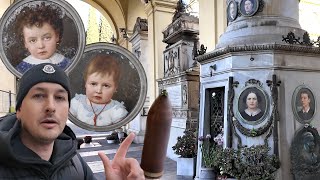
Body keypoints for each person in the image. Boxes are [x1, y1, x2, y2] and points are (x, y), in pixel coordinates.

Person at [0, 63, 145, 179]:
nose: (51, 107)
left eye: (60, 98)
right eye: (38, 96)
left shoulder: (75, 163)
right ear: (18, 110)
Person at [70, 55, 128, 126]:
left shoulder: (117, 110)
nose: (98, 91)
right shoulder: (77, 103)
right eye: (93, 84)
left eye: (106, 85)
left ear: (115, 88)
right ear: (85, 83)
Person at [15, 2, 71, 74]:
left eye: (47, 38)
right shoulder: (22, 68)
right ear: (25, 43)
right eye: (33, 40)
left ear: (57, 36)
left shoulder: (66, 63)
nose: (41, 46)